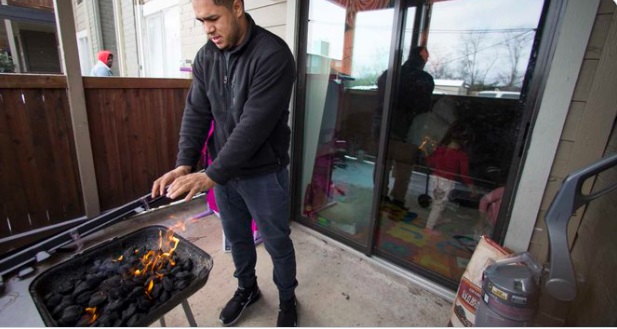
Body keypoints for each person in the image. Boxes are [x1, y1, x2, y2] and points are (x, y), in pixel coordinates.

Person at [150, 0, 298, 327]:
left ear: (237, 6)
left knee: (277, 241)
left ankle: (287, 298)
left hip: (263, 173)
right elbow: (197, 113)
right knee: (237, 238)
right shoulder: (206, 56)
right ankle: (247, 289)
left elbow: (253, 126)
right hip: (223, 176)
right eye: (201, 21)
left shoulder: (272, 55)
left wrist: (210, 175)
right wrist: (184, 164)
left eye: (213, 18)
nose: (208, 29)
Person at [372, 46, 435, 210]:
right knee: (404, 168)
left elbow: (379, 102)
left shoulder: (388, 74)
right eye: (426, 57)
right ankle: (398, 200)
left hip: (385, 128)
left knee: (383, 165)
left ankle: (380, 196)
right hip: (408, 131)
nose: (427, 60)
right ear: (421, 57)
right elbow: (424, 110)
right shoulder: (425, 79)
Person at [424, 123, 476, 234]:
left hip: (434, 179)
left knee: (436, 202)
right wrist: (472, 187)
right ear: (465, 141)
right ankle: (429, 227)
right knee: (439, 205)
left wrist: (428, 153)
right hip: (445, 183)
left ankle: (437, 219)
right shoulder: (461, 155)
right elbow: (464, 174)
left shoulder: (440, 149)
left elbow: (430, 161)